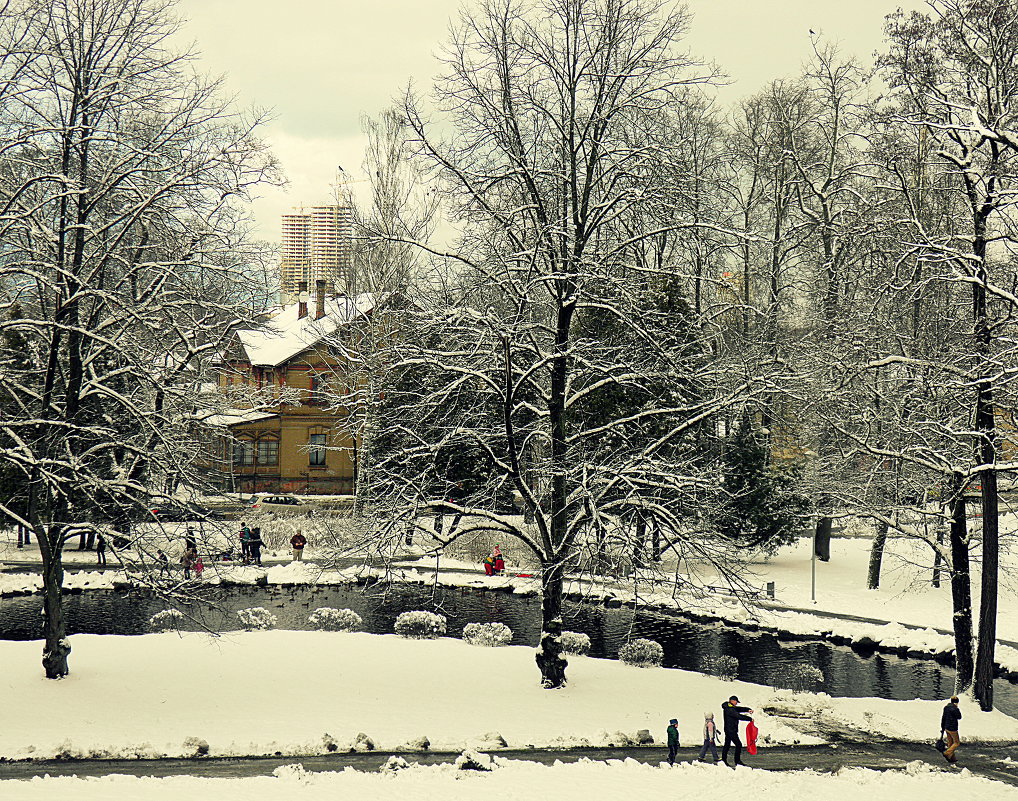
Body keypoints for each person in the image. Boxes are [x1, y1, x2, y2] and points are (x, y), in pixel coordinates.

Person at [721, 695, 754, 768]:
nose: (736, 703)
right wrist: (749, 719)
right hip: (731, 730)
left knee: (727, 745)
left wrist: (747, 709)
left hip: (729, 729)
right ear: (732, 700)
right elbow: (738, 716)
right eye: (736, 702)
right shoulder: (729, 709)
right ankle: (737, 761)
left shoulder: (730, 707)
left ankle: (724, 760)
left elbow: (738, 709)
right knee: (738, 745)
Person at [941, 695, 962, 764]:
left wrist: (942, 727)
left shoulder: (946, 708)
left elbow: (943, 718)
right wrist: (957, 709)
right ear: (956, 702)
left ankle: (952, 758)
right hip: (953, 728)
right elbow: (959, 717)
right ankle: (947, 753)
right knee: (956, 742)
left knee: (950, 743)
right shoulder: (955, 709)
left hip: (946, 727)